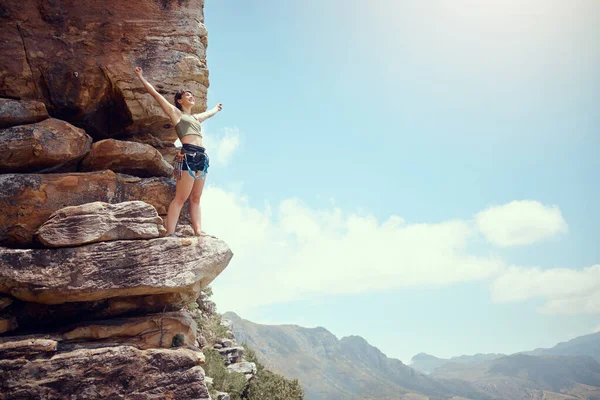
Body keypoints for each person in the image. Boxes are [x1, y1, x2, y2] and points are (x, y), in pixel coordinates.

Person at [134, 66, 222, 237]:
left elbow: (208, 114)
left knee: (196, 198)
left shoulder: (195, 118)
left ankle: (198, 231)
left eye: (192, 95)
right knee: (181, 198)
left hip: (202, 157)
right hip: (187, 155)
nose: (191, 97)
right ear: (180, 101)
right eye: (187, 95)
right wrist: (141, 77)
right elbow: (156, 95)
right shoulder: (176, 114)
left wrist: (216, 109)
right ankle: (170, 233)